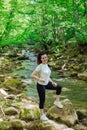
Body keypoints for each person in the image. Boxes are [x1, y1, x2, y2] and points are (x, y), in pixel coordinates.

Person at [31, 52, 63, 121]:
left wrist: (52, 82)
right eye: (43, 58)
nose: (45, 59)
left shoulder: (46, 65)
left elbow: (47, 76)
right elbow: (32, 75)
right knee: (42, 99)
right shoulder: (40, 66)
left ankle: (57, 102)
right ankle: (42, 115)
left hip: (47, 83)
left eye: (46, 57)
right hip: (40, 85)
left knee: (59, 87)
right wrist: (40, 79)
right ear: (41, 59)